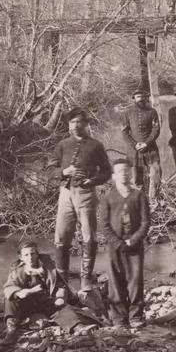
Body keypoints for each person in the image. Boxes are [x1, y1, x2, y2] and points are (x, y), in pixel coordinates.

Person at [47, 108, 113, 290]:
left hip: (86, 194)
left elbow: (107, 172)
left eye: (79, 122)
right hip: (66, 194)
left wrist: (93, 180)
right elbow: (49, 170)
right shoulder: (62, 145)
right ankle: (62, 281)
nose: (75, 126)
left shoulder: (95, 145)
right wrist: (64, 172)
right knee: (61, 236)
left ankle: (86, 279)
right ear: (68, 125)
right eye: (72, 123)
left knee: (89, 237)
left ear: (86, 124)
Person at [98, 158, 151, 328]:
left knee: (135, 280)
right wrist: (118, 243)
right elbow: (104, 225)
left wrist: (134, 240)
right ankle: (119, 318)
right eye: (120, 171)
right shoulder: (108, 197)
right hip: (115, 246)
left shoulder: (139, 195)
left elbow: (145, 222)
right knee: (115, 280)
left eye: (127, 170)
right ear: (113, 176)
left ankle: (135, 316)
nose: (124, 174)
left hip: (135, 246)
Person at [2, 239, 70, 342]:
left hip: (47, 302)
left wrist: (60, 297)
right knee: (9, 300)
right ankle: (12, 330)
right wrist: (21, 293)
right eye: (26, 255)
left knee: (65, 309)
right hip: (28, 304)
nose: (30, 258)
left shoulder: (48, 267)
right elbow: (9, 287)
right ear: (21, 258)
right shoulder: (18, 271)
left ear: (37, 254)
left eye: (32, 253)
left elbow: (60, 286)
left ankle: (77, 327)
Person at [121, 87, 162, 203]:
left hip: (150, 149)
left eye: (143, 96)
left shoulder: (152, 112)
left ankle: (153, 200)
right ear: (134, 99)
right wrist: (134, 145)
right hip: (134, 150)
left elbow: (156, 129)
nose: (141, 99)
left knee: (156, 173)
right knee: (136, 177)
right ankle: (138, 201)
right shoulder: (128, 113)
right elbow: (124, 132)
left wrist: (147, 143)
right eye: (138, 97)